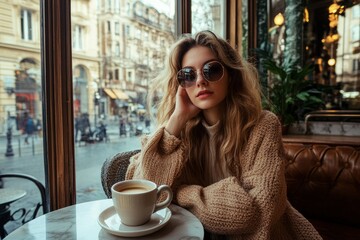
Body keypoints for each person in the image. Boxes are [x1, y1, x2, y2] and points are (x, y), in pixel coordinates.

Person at [124, 31, 321, 239]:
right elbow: (142, 194)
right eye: (188, 75)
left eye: (211, 70)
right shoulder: (177, 131)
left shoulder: (263, 125)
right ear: (180, 84)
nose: (200, 81)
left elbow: (252, 212)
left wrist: (178, 193)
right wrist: (176, 121)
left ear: (230, 75)